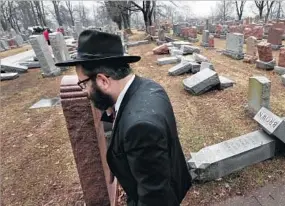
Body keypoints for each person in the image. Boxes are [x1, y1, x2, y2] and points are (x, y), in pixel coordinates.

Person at [55, 30, 192, 206]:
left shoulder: (139, 128)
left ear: (103, 80)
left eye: (84, 84)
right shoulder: (149, 86)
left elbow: (155, 198)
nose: (85, 92)